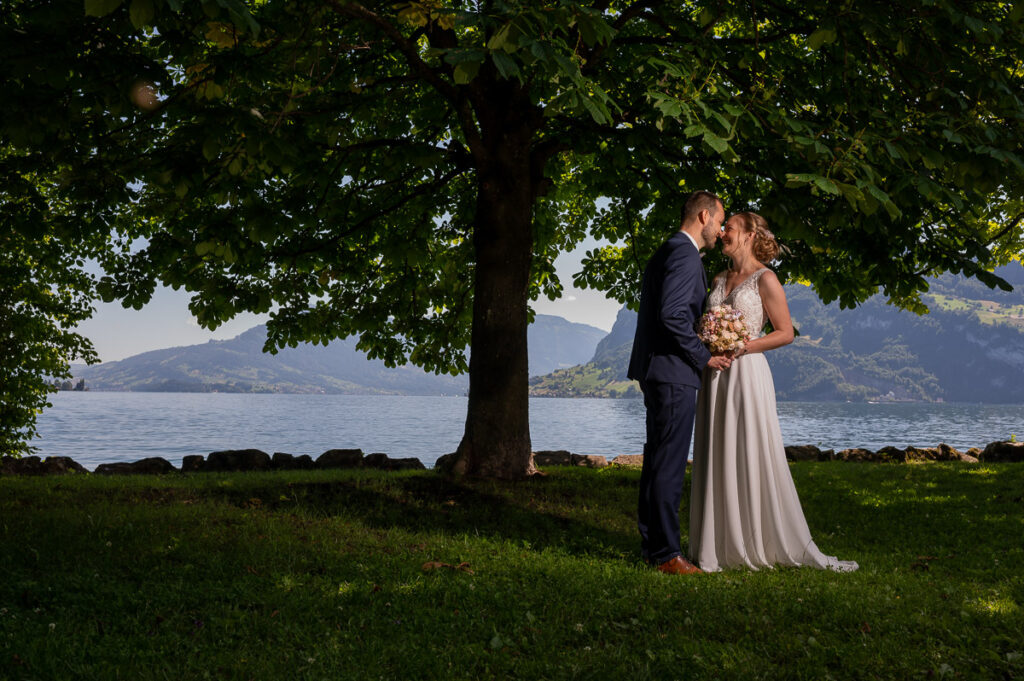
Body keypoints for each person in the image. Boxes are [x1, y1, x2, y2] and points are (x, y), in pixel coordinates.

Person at [689, 212, 858, 572]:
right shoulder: (718, 278)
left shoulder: (766, 278)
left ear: (749, 235)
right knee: (716, 448)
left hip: (747, 372)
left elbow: (785, 332)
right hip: (716, 375)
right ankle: (715, 542)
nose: (722, 234)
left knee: (747, 447)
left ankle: (752, 539)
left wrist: (743, 346)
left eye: (729, 228)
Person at [628, 190, 732, 576]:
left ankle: (653, 544)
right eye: (720, 221)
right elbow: (673, 316)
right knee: (668, 465)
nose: (721, 231)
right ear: (704, 216)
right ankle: (667, 555)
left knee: (657, 460)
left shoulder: (669, 249)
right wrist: (704, 356)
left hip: (659, 370)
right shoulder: (685, 254)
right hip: (672, 372)